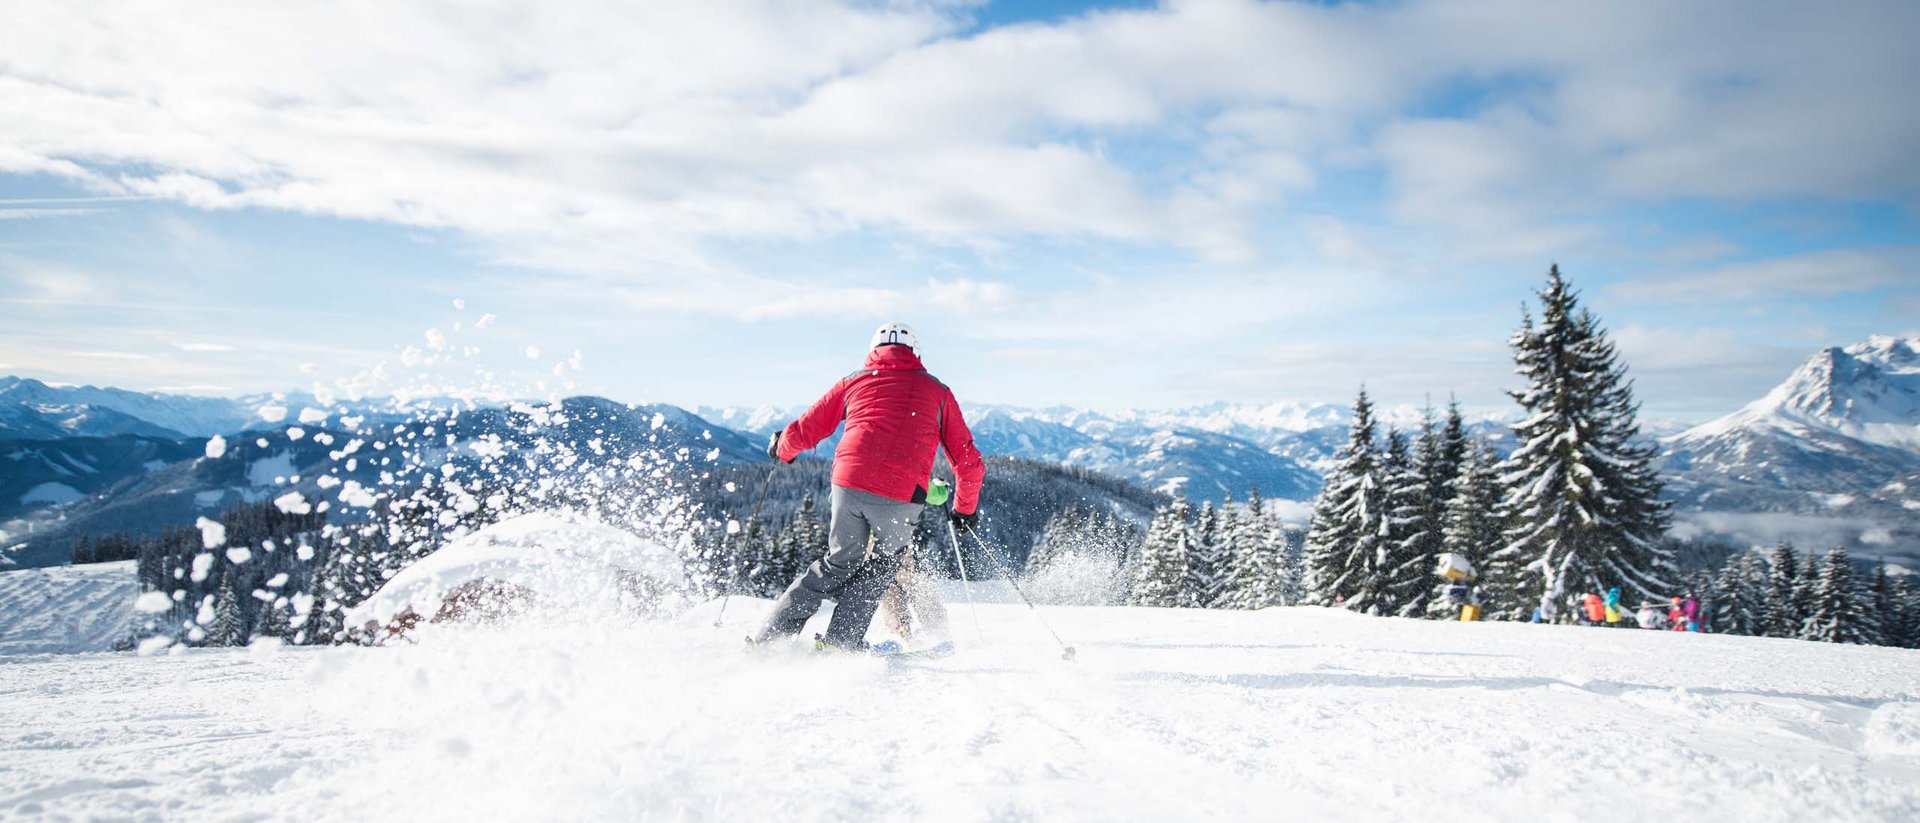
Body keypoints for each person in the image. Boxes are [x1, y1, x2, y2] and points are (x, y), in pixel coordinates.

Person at [751, 322, 984, 652]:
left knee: (838, 561)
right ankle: (839, 643)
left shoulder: (854, 381)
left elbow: (807, 427)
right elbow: (968, 462)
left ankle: (768, 639)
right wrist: (964, 510)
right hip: (901, 494)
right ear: (915, 354)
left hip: (849, 483)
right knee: (884, 564)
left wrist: (782, 448)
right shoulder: (937, 391)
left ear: (873, 350)